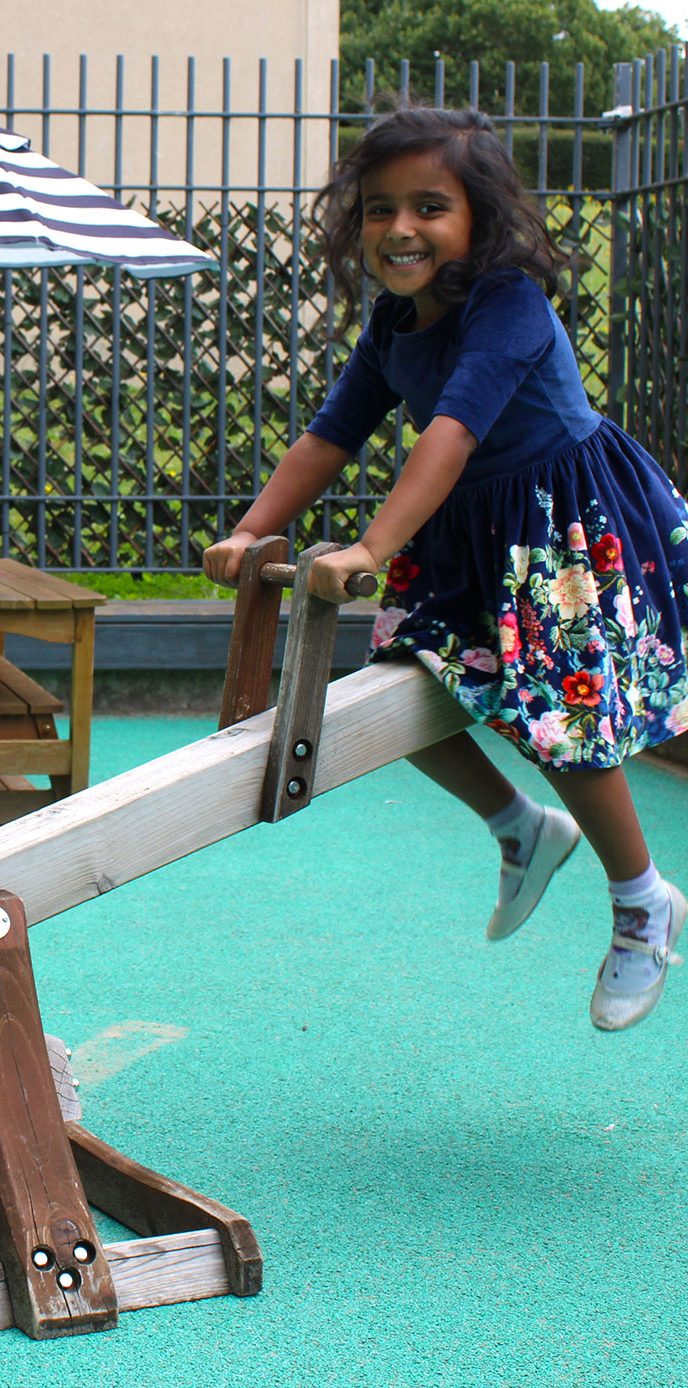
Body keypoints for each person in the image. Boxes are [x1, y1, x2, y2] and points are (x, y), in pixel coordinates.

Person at [202, 105, 688, 1032]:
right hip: (473, 530)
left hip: (557, 524)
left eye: (430, 206)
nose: (401, 229)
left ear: (482, 219)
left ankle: (642, 902)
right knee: (407, 675)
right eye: (380, 209)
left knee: (564, 714)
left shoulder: (508, 305)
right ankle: (520, 827)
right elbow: (333, 432)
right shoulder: (395, 320)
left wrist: (373, 548)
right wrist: (253, 528)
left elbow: (452, 433)